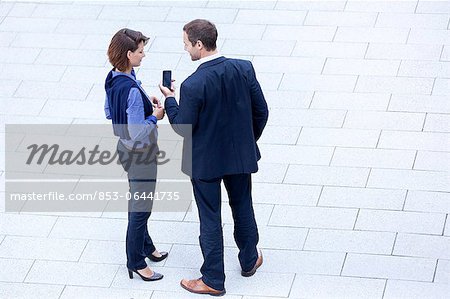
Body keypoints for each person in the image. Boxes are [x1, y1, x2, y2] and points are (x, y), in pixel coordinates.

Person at [159, 19, 269, 296]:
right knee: (243, 205)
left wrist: (170, 100)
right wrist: (247, 141)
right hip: (239, 156)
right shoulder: (243, 68)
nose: (185, 50)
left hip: (205, 162)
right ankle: (248, 259)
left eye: (186, 44)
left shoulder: (193, 84)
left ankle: (212, 279)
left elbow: (183, 125)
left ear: (199, 44)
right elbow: (262, 111)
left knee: (210, 217)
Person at [104, 28, 167, 281]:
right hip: (142, 155)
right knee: (141, 208)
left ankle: (146, 246)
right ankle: (136, 261)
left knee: (139, 202)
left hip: (125, 150)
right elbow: (138, 132)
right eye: (140, 51)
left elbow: (110, 112)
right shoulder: (130, 88)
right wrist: (154, 116)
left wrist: (141, 102)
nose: (144, 55)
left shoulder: (112, 77)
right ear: (129, 54)